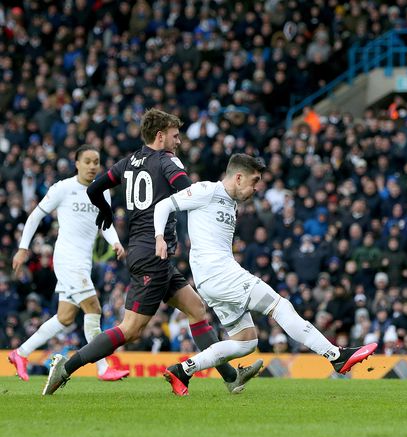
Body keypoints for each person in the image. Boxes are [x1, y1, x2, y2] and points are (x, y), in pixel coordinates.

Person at [42, 109, 253, 395]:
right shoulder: (167, 161)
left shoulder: (129, 161)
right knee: (130, 330)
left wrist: (105, 209)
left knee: (196, 308)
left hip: (148, 253)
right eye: (175, 136)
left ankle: (230, 378)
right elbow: (189, 193)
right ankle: (66, 368)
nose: (178, 141)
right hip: (154, 253)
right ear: (160, 135)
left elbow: (94, 189)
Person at [153, 154, 377, 395]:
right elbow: (163, 205)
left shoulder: (231, 203)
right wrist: (159, 237)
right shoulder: (207, 190)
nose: (256, 188)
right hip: (220, 274)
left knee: (246, 341)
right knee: (280, 306)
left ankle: (183, 370)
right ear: (238, 177)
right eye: (254, 180)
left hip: (211, 280)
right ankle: (336, 355)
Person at [8, 145, 129, 382]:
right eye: (88, 161)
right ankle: (103, 367)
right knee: (93, 308)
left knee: (64, 318)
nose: (93, 166)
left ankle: (20, 353)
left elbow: (105, 223)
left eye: (96, 161)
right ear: (77, 163)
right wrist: (23, 249)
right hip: (67, 259)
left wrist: (115, 242)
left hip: (83, 261)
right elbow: (35, 216)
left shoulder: (102, 191)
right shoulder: (63, 188)